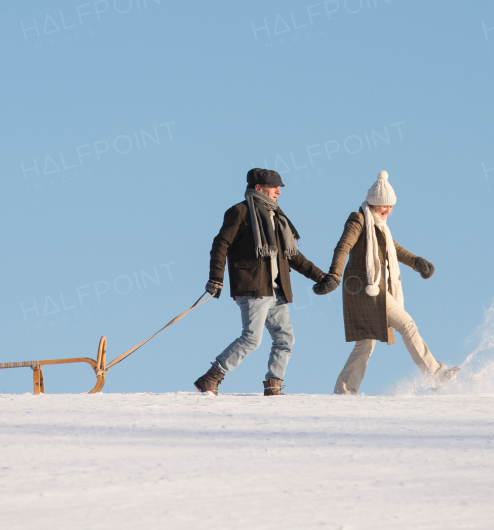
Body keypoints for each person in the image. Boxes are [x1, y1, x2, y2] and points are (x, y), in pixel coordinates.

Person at [314, 171, 458, 394]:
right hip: (366, 289)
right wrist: (334, 275)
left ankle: (343, 391)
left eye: (391, 206)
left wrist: (416, 261)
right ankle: (435, 373)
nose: (388, 210)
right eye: (385, 206)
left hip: (372, 290)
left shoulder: (379, 226)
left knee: (365, 344)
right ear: (375, 203)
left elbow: (395, 248)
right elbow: (343, 246)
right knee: (407, 325)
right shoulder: (359, 219)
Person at [194, 168, 331, 396]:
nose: (278, 191)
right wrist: (216, 278)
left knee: (285, 338)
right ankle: (211, 377)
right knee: (252, 339)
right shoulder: (240, 212)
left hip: (276, 290)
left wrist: (319, 275)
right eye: (274, 187)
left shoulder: (276, 216)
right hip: (253, 287)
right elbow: (221, 244)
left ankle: (273, 386)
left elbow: (292, 255)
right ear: (258, 189)